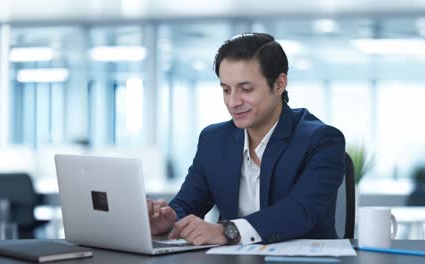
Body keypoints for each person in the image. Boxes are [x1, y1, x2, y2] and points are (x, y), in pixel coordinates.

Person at [147, 33, 345, 246]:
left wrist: (227, 231)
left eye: (246, 89)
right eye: (226, 89)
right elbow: (188, 202)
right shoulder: (213, 140)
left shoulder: (322, 140)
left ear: (279, 84)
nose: (233, 102)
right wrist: (169, 220)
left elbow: (300, 211)